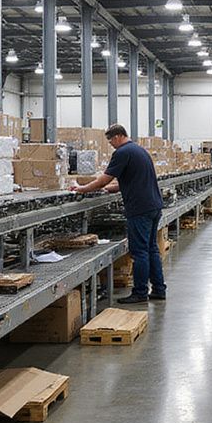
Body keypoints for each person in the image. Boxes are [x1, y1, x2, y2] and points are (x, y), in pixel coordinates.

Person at [73, 124, 166, 305]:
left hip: (140, 209)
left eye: (110, 142)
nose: (111, 145)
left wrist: (82, 189)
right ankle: (159, 289)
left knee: (139, 252)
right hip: (153, 206)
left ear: (117, 137)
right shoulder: (139, 151)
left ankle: (140, 292)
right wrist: (111, 188)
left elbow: (103, 179)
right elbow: (132, 180)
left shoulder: (122, 152)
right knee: (151, 249)